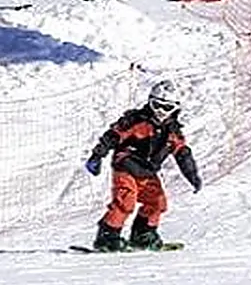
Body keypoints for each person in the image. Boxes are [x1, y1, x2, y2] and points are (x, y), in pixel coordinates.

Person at [84, 80, 203, 251]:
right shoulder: (135, 120)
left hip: (148, 171)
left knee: (158, 202)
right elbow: (112, 136)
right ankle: (108, 236)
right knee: (126, 202)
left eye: (167, 108)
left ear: (175, 109)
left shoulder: (173, 131)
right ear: (149, 102)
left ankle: (143, 235)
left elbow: (183, 154)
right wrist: (97, 155)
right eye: (157, 105)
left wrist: (192, 175)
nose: (161, 112)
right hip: (126, 164)